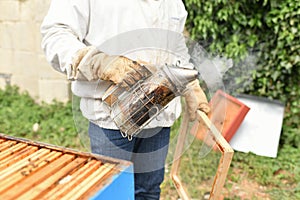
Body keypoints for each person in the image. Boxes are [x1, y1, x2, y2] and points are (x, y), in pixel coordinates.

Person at [41, 1, 210, 199]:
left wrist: (190, 84)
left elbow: (176, 44)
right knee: (114, 194)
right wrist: (98, 62)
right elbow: (56, 33)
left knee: (149, 191)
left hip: (160, 115)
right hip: (111, 118)